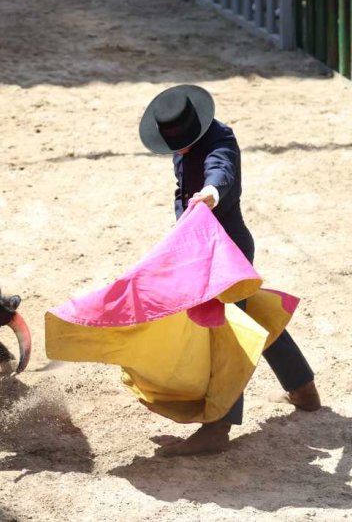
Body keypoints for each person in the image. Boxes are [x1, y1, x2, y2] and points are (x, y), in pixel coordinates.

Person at [138, 84, 321, 456]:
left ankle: (218, 426)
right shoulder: (182, 144)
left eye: (184, 143)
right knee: (251, 318)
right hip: (202, 246)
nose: (180, 149)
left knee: (227, 334)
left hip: (229, 250)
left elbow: (220, 172)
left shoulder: (220, 137)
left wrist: (209, 194)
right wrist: (183, 228)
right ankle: (303, 387)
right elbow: (181, 188)